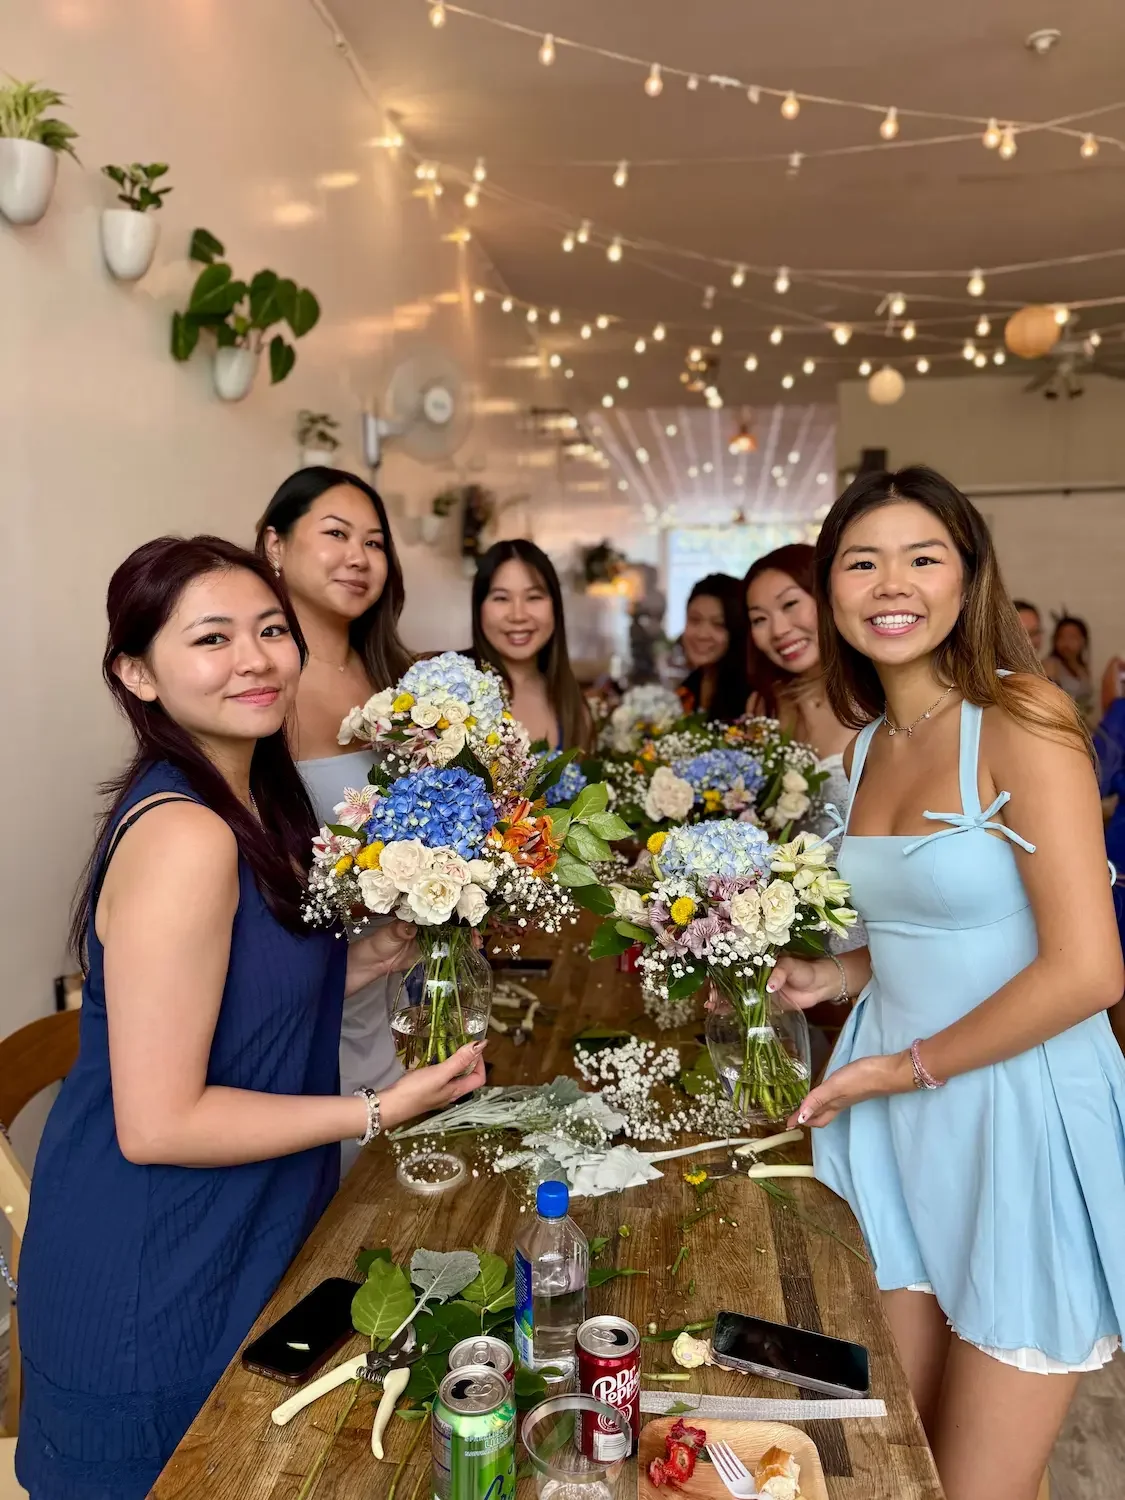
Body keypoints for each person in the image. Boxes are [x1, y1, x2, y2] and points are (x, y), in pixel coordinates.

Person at [15, 537, 486, 1500]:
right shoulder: (185, 832)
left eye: (271, 630)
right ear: (136, 673)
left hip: (247, 1220)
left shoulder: (255, 801)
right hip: (156, 1258)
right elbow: (158, 1124)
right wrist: (376, 1110)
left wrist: (360, 962)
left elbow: (235, 996)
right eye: (212, 638)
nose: (256, 658)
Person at [766, 467, 1125, 1500]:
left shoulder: (1025, 718)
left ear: (968, 581)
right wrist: (834, 969)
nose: (893, 583)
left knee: (979, 1486)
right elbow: (938, 926)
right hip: (905, 1118)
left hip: (1016, 1112)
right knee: (902, 1451)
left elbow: (1088, 969)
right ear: (831, 589)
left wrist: (899, 1069)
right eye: (861, 561)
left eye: (924, 558)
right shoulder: (871, 744)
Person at [257, 466, 412, 1172]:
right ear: (274, 547)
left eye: (374, 542)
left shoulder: (399, 682)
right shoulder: (254, 687)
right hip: (309, 992)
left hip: (399, 977)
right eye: (336, 534)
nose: (358, 556)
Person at [744, 543, 856, 832]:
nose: (779, 630)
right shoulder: (761, 707)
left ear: (828, 595)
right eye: (759, 619)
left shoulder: (878, 695)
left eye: (790, 604)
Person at [472, 538, 592, 750]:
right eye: (501, 598)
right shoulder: (446, 693)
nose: (518, 615)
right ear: (479, 608)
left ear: (555, 606)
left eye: (534, 597)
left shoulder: (573, 708)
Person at [677, 573, 749, 721]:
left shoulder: (751, 700)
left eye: (718, 624)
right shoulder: (687, 689)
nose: (702, 635)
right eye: (695, 620)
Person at [1045, 612, 1095, 724]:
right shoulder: (1051, 665)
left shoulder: (1083, 668)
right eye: (1061, 637)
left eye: (1072, 638)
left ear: (1083, 641)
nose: (1066, 643)